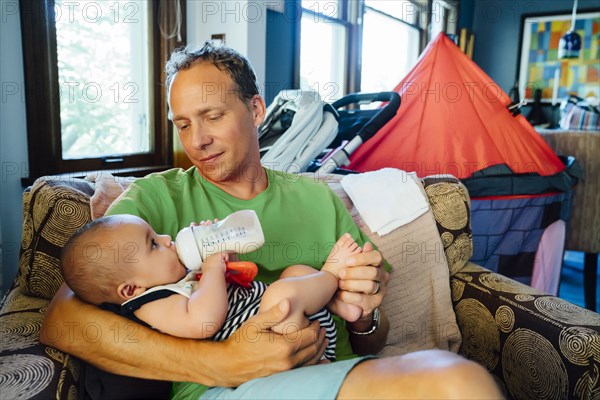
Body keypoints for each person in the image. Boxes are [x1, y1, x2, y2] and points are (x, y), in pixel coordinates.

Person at [42, 42, 502, 399]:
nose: (197, 140)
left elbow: (371, 339)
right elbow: (63, 319)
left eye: (212, 116)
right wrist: (223, 362)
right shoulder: (156, 200)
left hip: (333, 373)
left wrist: (364, 314)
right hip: (230, 390)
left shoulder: (316, 200)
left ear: (256, 111)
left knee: (457, 381)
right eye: (182, 124)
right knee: (456, 384)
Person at [60, 214, 365, 362]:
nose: (167, 240)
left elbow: (229, 288)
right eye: (153, 244)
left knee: (293, 274)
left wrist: (222, 252)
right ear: (131, 289)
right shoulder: (153, 304)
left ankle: (337, 303)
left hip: (295, 320)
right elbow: (204, 321)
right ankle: (331, 275)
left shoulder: (176, 278)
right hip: (286, 340)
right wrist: (212, 269)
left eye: (158, 234)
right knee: (281, 294)